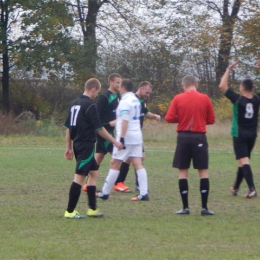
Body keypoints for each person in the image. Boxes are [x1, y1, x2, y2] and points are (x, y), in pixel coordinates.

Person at [64, 78, 123, 219]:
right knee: (79, 177)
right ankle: (70, 211)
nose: (96, 95)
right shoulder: (90, 106)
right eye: (97, 91)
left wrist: (69, 147)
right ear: (94, 89)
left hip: (79, 145)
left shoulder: (75, 103)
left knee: (94, 173)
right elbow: (100, 129)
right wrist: (114, 141)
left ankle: (92, 209)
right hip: (86, 146)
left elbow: (67, 128)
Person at [165, 75, 215, 215]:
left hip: (183, 137)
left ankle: (185, 207)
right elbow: (211, 119)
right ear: (196, 84)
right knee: (203, 171)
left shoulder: (178, 98)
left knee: (183, 171)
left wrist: (181, 117)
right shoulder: (205, 98)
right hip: (199, 137)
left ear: (184, 85)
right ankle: (204, 207)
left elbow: (169, 118)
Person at [97, 78, 149, 201]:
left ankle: (105, 192)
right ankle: (144, 193)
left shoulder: (125, 101)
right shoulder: (136, 100)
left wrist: (121, 138)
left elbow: (125, 119)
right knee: (138, 163)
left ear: (123, 88)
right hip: (137, 136)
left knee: (114, 163)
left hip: (127, 137)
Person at [219, 61, 259, 198]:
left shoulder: (238, 99)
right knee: (242, 161)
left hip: (239, 135)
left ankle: (252, 189)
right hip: (252, 135)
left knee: (244, 161)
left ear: (242, 88)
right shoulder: (257, 99)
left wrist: (228, 70)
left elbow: (222, 86)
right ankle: (235, 188)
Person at [113, 81, 161, 192]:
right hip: (129, 134)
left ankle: (120, 182)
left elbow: (145, 112)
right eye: (147, 92)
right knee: (137, 158)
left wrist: (154, 116)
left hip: (135, 134)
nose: (148, 95)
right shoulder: (131, 99)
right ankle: (135, 185)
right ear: (141, 88)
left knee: (130, 159)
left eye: (149, 93)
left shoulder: (142, 100)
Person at [82, 73, 122, 192]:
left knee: (99, 156)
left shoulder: (119, 96)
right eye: (117, 82)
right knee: (118, 156)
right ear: (111, 82)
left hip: (110, 132)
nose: (119, 85)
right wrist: (109, 124)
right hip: (104, 132)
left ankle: (87, 184)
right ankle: (118, 182)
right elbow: (96, 115)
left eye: (120, 82)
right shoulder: (104, 97)